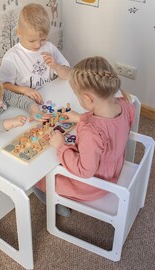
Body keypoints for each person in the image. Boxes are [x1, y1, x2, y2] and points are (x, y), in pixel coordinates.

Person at [34, 56, 135, 216]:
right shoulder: (124, 103)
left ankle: (54, 201)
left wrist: (61, 146)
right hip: (113, 171)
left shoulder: (90, 132)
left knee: (39, 176)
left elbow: (85, 171)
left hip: (93, 185)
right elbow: (109, 126)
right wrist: (81, 117)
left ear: (87, 99)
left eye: (77, 96)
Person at [0, 3, 70, 104]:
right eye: (32, 41)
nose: (38, 45)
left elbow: (68, 75)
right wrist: (24, 90)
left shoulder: (49, 47)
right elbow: (3, 86)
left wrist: (56, 66)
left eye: (43, 39)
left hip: (50, 97)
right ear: (19, 33)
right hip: (27, 103)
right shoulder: (12, 57)